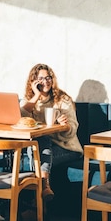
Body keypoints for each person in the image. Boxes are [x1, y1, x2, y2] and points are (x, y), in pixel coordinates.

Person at [21, 63, 83, 202]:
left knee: (38, 158)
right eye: (41, 79)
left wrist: (64, 125)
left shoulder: (62, 99)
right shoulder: (30, 100)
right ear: (33, 81)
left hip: (67, 147)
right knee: (39, 144)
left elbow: (73, 127)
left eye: (48, 78)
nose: (46, 81)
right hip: (41, 146)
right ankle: (44, 191)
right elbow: (20, 116)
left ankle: (37, 204)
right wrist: (36, 95)